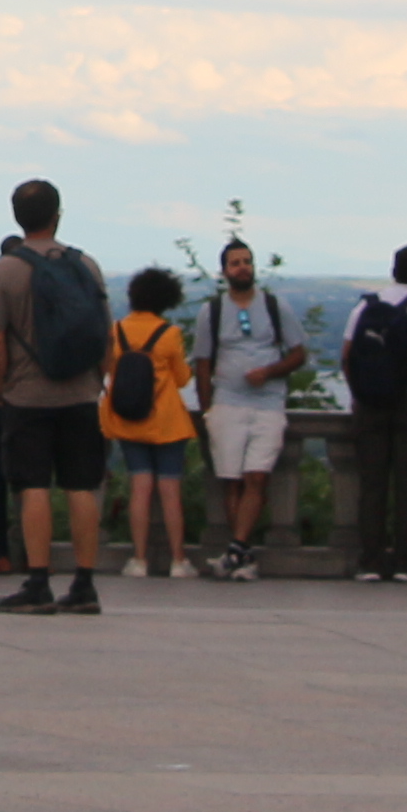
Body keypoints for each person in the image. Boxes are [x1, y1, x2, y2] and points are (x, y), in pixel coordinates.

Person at [0, 180, 114, 617]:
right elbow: (106, 335)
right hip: (80, 393)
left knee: (32, 485)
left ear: (16, 216)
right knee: (81, 486)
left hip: (27, 394)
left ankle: (38, 581)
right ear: (58, 214)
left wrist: (0, 389)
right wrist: (98, 381)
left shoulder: (4, 270)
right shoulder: (85, 265)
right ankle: (85, 582)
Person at [333, 247, 407, 584]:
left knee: (372, 484)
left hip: (370, 405)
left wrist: (360, 393)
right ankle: (405, 563)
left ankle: (370, 561)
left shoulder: (365, 307)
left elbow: (347, 355)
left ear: (393, 269)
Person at [191, 240, 303, 581]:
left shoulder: (274, 306)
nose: (243, 268)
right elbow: (202, 363)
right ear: (225, 271)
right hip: (227, 403)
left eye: (247, 261)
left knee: (257, 476)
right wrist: (207, 409)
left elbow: (299, 353)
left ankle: (235, 549)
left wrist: (269, 372)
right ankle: (242, 556)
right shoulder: (211, 312)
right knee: (232, 480)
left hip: (268, 404)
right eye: (236, 263)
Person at [101, 265, 200, 576]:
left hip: (129, 420)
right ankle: (178, 559)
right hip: (167, 422)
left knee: (139, 488)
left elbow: (109, 370)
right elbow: (182, 379)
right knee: (170, 491)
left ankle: (139, 559)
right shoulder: (169, 334)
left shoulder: (117, 331)